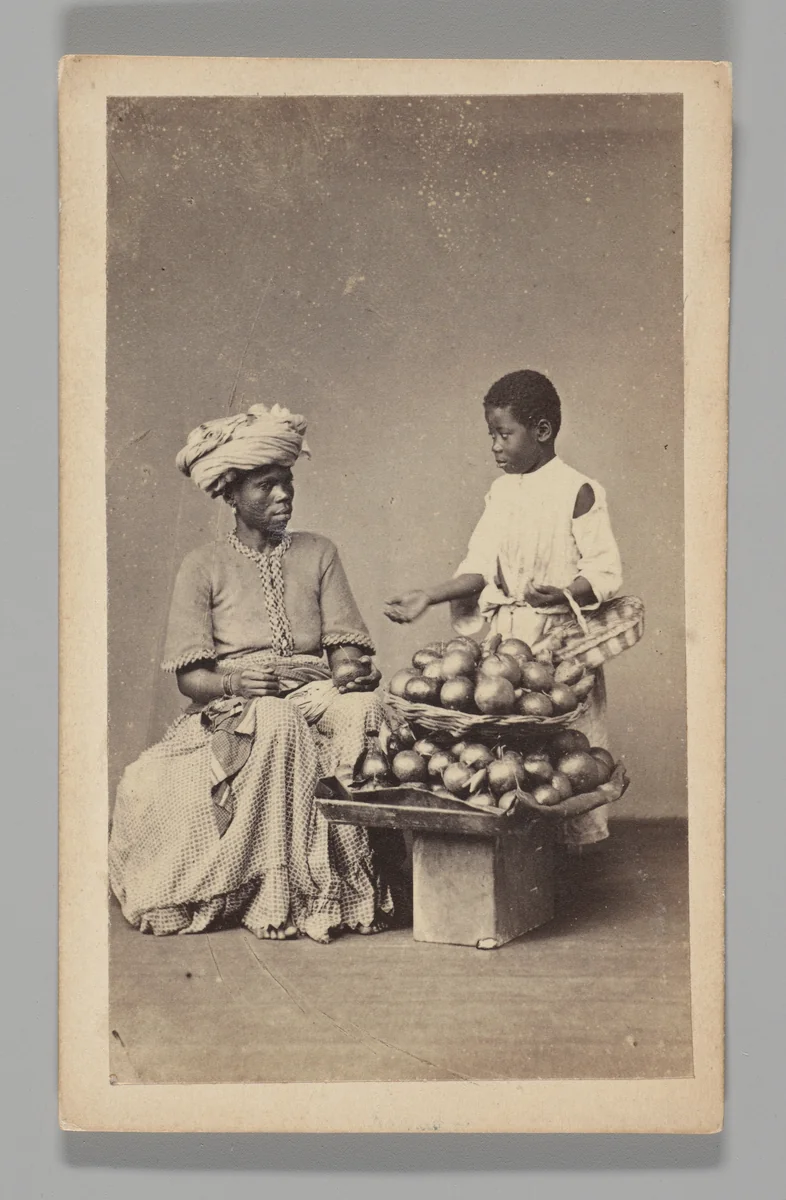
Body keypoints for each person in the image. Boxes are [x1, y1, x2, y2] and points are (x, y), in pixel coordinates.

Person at [109, 402, 395, 943]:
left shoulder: (319, 552)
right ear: (231, 494)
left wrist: (354, 674)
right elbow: (190, 679)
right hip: (237, 703)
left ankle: (356, 887)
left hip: (315, 688)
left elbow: (343, 652)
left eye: (286, 483)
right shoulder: (203, 565)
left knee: (367, 709)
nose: (283, 496)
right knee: (276, 718)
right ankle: (276, 891)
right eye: (266, 486)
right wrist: (235, 683)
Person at [384, 369, 623, 850]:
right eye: (490, 434)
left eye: (503, 433)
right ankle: (517, 854)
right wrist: (431, 594)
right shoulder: (501, 493)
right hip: (508, 640)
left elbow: (604, 572)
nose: (494, 445)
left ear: (542, 431)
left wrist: (561, 592)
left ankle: (564, 854)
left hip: (559, 642)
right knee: (505, 743)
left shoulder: (578, 490)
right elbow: (480, 569)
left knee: (561, 745)